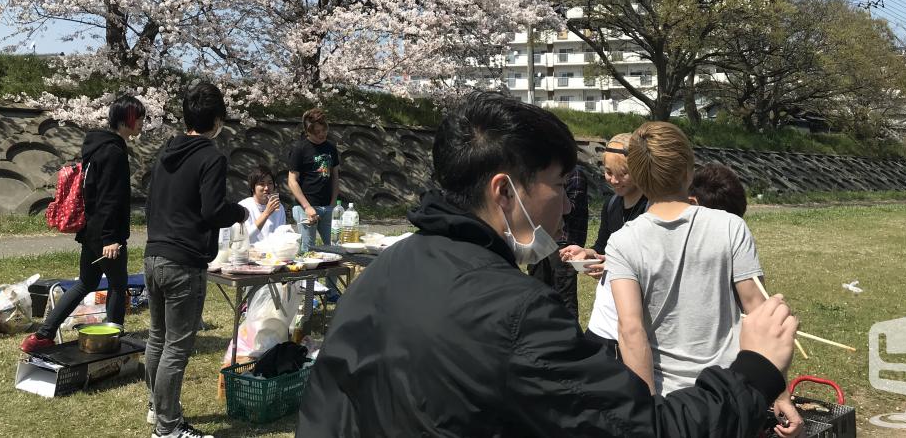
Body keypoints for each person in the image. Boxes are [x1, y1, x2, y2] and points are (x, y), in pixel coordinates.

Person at [297, 91, 799, 438]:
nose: (566, 206)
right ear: (504, 191)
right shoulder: (515, 313)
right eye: (559, 186)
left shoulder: (387, 267)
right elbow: (637, 428)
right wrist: (753, 373)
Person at [607, 122, 802, 437]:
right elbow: (760, 310)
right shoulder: (729, 226)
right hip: (733, 391)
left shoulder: (622, 242)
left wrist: (650, 414)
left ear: (638, 178)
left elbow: (631, 331)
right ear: (689, 170)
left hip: (670, 404)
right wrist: (779, 392)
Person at [144, 81, 248, 438]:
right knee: (176, 346)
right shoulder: (211, 156)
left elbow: (151, 201)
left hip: (153, 255)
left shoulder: (166, 151)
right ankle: (168, 427)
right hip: (183, 261)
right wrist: (240, 212)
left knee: (158, 338)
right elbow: (213, 209)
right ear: (217, 120)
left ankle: (157, 410)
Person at [20, 94, 145, 353]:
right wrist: (111, 238)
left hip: (91, 229)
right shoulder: (114, 152)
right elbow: (110, 198)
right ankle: (113, 338)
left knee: (86, 283)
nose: (143, 123)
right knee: (118, 285)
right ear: (128, 120)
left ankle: (43, 335)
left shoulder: (97, 147)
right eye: (140, 118)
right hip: (106, 234)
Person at [561, 132, 648, 350]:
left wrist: (611, 264)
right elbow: (602, 248)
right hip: (608, 313)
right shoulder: (611, 205)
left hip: (639, 309)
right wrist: (585, 254)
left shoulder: (651, 208)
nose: (614, 180)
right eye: (608, 172)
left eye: (623, 174)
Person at [527, 160, 587, 318]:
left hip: (564, 244)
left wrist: (552, 190)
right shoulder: (543, 172)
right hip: (539, 241)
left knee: (564, 301)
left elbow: (570, 209)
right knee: (535, 295)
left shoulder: (575, 174)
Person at [287, 108, 340, 253]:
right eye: (317, 132)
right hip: (306, 207)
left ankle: (332, 276)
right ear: (307, 131)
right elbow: (292, 181)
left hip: (328, 206)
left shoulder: (330, 148)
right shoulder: (299, 148)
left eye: (324, 130)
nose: (322, 134)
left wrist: (333, 202)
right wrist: (307, 207)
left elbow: (335, 176)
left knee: (335, 249)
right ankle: (308, 277)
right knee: (308, 250)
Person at [220, 166, 286, 246]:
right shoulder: (244, 206)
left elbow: (282, 234)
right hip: (250, 253)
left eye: (270, 183)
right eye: (261, 184)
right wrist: (266, 213)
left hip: (273, 254)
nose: (266, 188)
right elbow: (243, 238)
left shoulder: (279, 207)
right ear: (252, 187)